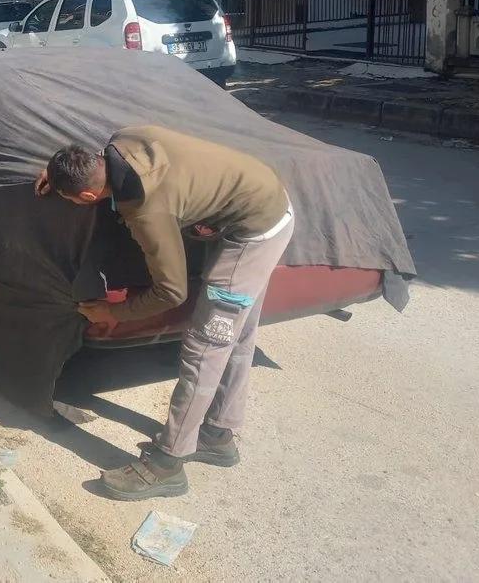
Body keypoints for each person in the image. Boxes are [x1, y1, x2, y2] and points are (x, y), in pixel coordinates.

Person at [36, 125, 294, 500]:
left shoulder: (147, 210)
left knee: (207, 346)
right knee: (235, 334)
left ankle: (167, 465)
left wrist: (112, 313)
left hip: (254, 232)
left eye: (72, 199)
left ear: (89, 196)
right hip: (265, 198)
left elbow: (171, 292)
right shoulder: (123, 139)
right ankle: (216, 435)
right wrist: (57, 173)